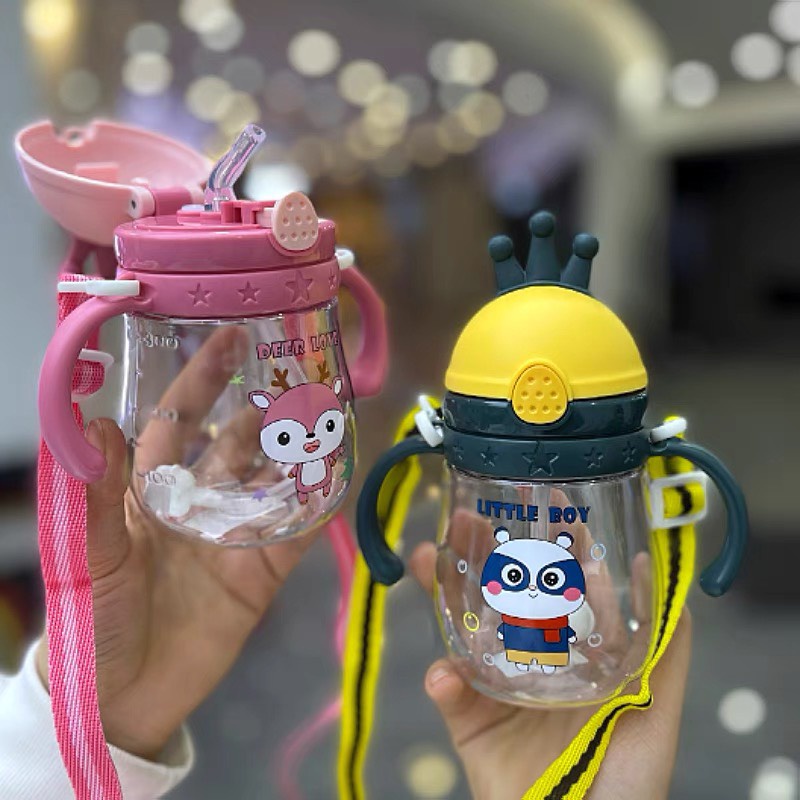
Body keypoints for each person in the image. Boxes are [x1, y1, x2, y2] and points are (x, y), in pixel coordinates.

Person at [409, 542, 692, 800]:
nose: (533, 590)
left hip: (572, 672)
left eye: (550, 580)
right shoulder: (506, 617)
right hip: (518, 668)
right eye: (515, 577)